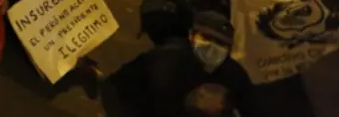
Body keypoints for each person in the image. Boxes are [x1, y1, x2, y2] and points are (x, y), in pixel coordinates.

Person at [103, 12, 254, 117]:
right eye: (206, 38)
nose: (212, 46)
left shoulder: (235, 76)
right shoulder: (164, 60)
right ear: (191, 35)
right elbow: (118, 90)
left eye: (221, 43)